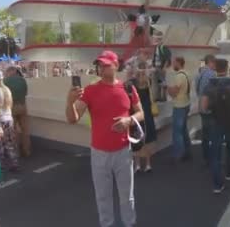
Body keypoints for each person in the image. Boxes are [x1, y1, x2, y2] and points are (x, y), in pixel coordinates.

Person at [66, 50, 144, 227]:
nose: (101, 68)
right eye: (99, 65)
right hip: (99, 153)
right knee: (103, 197)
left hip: (124, 151)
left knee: (127, 196)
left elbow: (141, 113)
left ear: (116, 66)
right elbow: (72, 118)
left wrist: (128, 120)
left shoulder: (127, 88)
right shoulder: (90, 91)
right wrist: (69, 102)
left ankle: (129, 224)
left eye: (105, 65)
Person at [201, 59, 230, 193]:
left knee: (215, 153)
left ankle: (217, 185)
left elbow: (203, 106)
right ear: (227, 68)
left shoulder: (210, 85)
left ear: (215, 68)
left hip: (215, 121)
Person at [127, 63, 158, 173]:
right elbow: (154, 95)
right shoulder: (148, 83)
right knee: (147, 140)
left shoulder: (133, 85)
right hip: (147, 115)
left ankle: (138, 165)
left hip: (137, 115)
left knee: (137, 140)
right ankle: (148, 164)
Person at [0, 69, 19, 172]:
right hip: (9, 118)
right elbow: (11, 104)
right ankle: (14, 163)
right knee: (10, 142)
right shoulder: (7, 90)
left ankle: (0, 165)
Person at [168, 56, 192, 162]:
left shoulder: (179, 77)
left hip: (179, 105)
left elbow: (174, 92)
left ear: (178, 63)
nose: (173, 65)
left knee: (177, 131)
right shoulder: (187, 73)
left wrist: (167, 88)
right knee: (184, 129)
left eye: (174, 63)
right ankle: (187, 150)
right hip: (186, 103)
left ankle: (178, 154)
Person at [4, 66, 30, 157]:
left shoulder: (6, 81)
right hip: (22, 106)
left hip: (12, 107)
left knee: (13, 130)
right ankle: (26, 150)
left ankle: (16, 152)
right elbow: (26, 93)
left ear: (9, 72)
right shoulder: (22, 80)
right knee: (25, 130)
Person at [196, 54, 217, 165]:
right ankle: (213, 157)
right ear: (211, 62)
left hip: (201, 106)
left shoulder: (200, 73)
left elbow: (196, 89)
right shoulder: (213, 74)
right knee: (213, 133)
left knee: (205, 133)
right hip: (210, 107)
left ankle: (205, 156)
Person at [152, 32, 172, 101]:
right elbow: (154, 57)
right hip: (157, 67)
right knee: (157, 82)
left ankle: (163, 97)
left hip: (161, 67)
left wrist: (164, 67)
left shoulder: (163, 48)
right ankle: (158, 96)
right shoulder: (157, 47)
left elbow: (167, 58)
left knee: (162, 82)